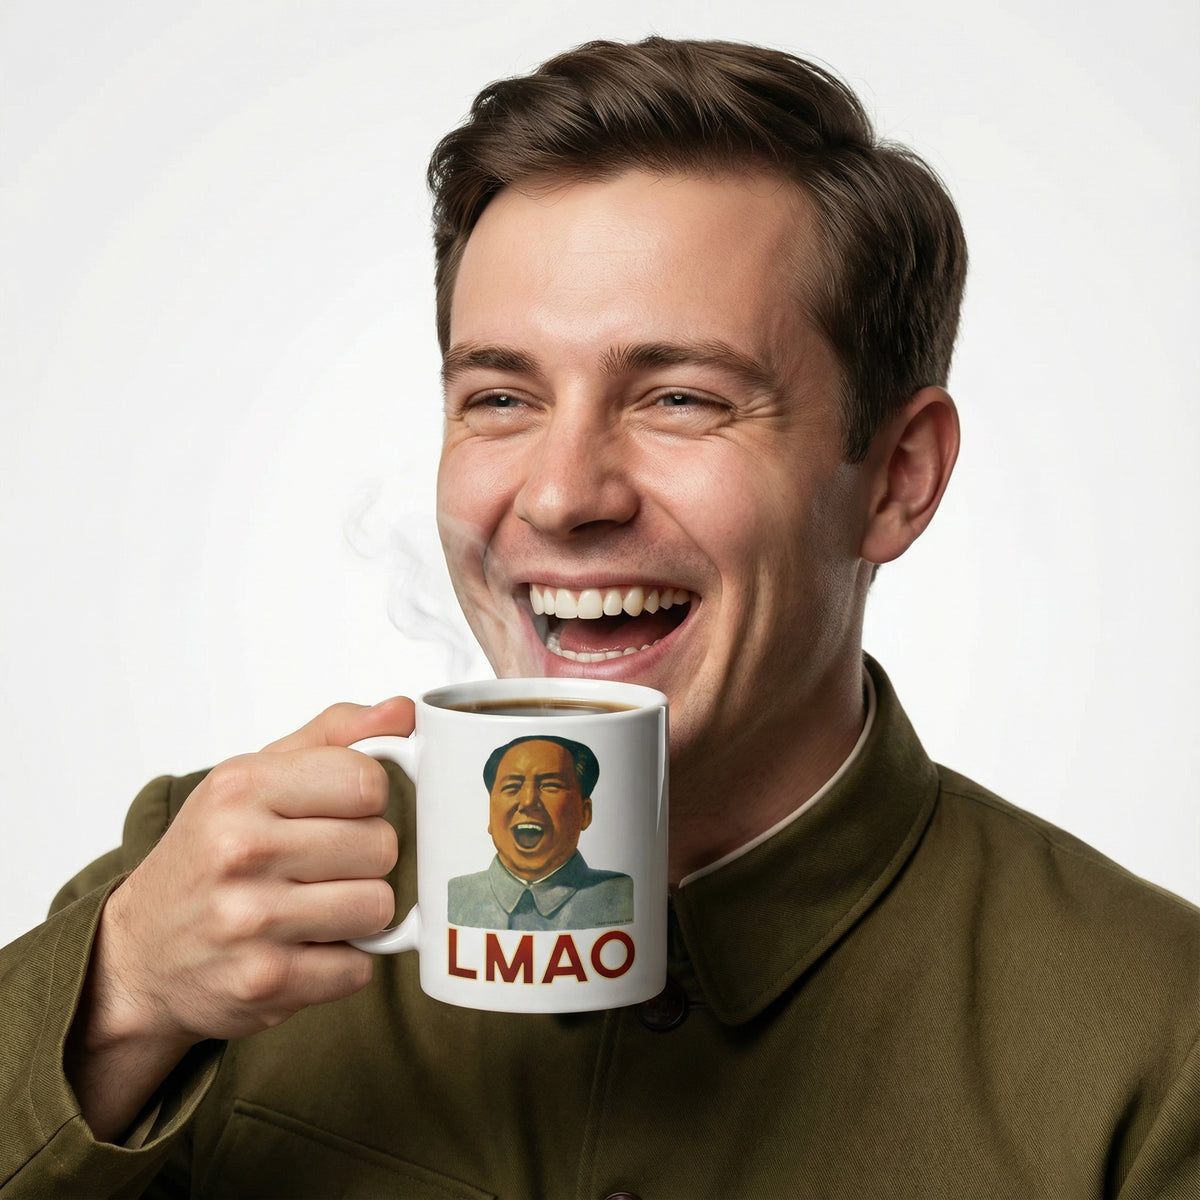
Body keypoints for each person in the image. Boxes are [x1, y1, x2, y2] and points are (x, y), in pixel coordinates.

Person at [2, 35, 1196, 1200]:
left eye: (682, 398)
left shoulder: (1158, 1043)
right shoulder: (204, 895)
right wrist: (117, 1003)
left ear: (896, 478)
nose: (565, 495)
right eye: (502, 396)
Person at [448, 735, 635, 930]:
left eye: (550, 786)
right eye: (512, 787)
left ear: (584, 813)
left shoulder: (620, 896)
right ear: (490, 815)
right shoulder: (456, 896)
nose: (528, 801)